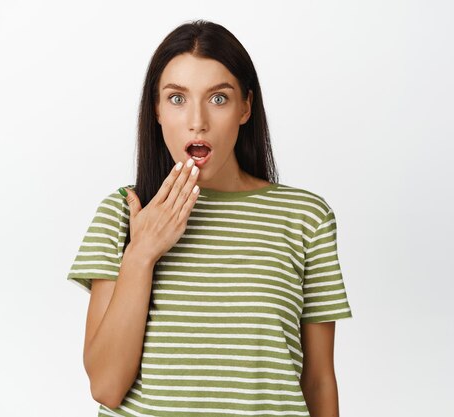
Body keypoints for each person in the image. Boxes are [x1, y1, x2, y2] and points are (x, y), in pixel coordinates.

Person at [67, 19, 353, 417]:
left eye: (218, 98)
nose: (197, 120)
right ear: (156, 110)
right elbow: (106, 386)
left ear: (245, 107)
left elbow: (319, 380)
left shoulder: (305, 217)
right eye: (177, 98)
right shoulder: (122, 212)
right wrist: (141, 253)